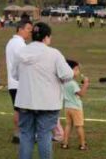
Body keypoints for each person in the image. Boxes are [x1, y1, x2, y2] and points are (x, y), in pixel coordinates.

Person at [12, 22, 73, 159]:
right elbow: (68, 75)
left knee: (26, 135)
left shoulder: (21, 52)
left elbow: (15, 75)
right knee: (45, 135)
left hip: (25, 102)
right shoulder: (53, 54)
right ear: (46, 37)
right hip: (48, 103)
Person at [6, 18, 33, 143]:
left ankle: (17, 134)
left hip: (13, 83)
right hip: (19, 82)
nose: (30, 32)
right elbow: (24, 61)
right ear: (20, 29)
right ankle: (22, 134)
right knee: (23, 111)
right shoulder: (19, 44)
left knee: (18, 110)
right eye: (28, 29)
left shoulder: (11, 42)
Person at [61, 60, 89, 150]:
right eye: (76, 69)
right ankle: (82, 145)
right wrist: (86, 84)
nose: (78, 71)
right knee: (79, 126)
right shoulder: (73, 83)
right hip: (76, 108)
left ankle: (65, 144)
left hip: (67, 107)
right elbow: (81, 94)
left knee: (68, 125)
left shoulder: (64, 82)